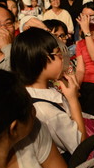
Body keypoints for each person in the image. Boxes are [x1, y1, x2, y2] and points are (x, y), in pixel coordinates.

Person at [10, 28, 86, 158]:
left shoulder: (28, 92)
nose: (63, 59)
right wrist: (73, 100)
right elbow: (81, 146)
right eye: (59, 54)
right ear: (43, 60)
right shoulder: (46, 111)